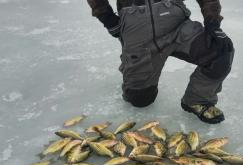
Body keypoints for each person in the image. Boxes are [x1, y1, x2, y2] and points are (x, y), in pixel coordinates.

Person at [86, 0, 234, 124]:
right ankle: (134, 74)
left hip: (177, 23)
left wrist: (212, 21)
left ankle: (198, 100)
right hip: (137, 28)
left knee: (221, 50)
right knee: (140, 99)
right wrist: (107, 17)